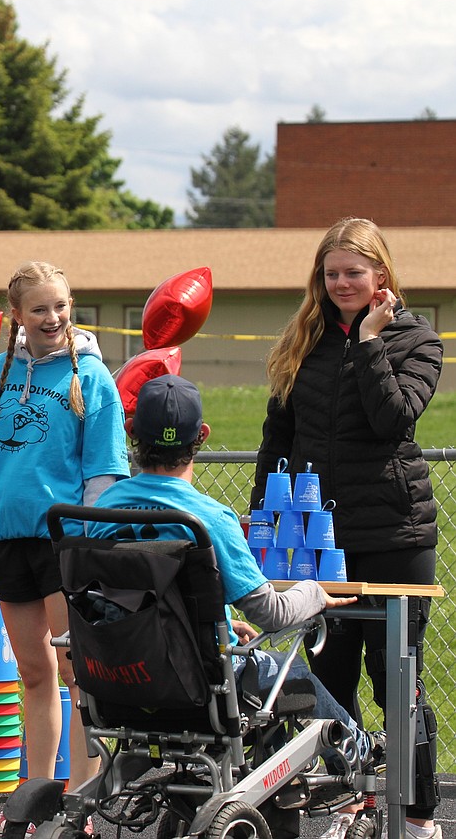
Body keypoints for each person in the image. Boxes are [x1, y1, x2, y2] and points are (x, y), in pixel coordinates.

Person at [92, 375, 382, 838]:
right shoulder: (207, 520)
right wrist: (315, 593)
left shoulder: (101, 513)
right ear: (201, 436)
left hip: (117, 675)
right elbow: (271, 612)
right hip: (201, 680)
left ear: (131, 432)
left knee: (253, 665)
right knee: (294, 675)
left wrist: (221, 623)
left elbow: (135, 600)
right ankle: (358, 748)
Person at [249, 217, 443, 839]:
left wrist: (368, 342)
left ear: (380, 276)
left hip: (394, 535)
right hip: (318, 541)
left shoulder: (418, 340)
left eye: (353, 273)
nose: (340, 283)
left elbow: (393, 420)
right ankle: (345, 804)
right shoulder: (302, 341)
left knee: (397, 680)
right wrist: (263, 519)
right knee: (327, 682)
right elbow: (276, 441)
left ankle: (413, 815)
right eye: (330, 273)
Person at [0, 260, 130, 839]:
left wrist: (91, 546)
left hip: (66, 545)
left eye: (61, 306)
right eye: (39, 308)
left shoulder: (91, 378)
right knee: (34, 673)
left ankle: (81, 806)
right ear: (15, 314)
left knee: (76, 672)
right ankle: (35, 801)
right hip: (7, 543)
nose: (53, 318)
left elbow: (104, 474)